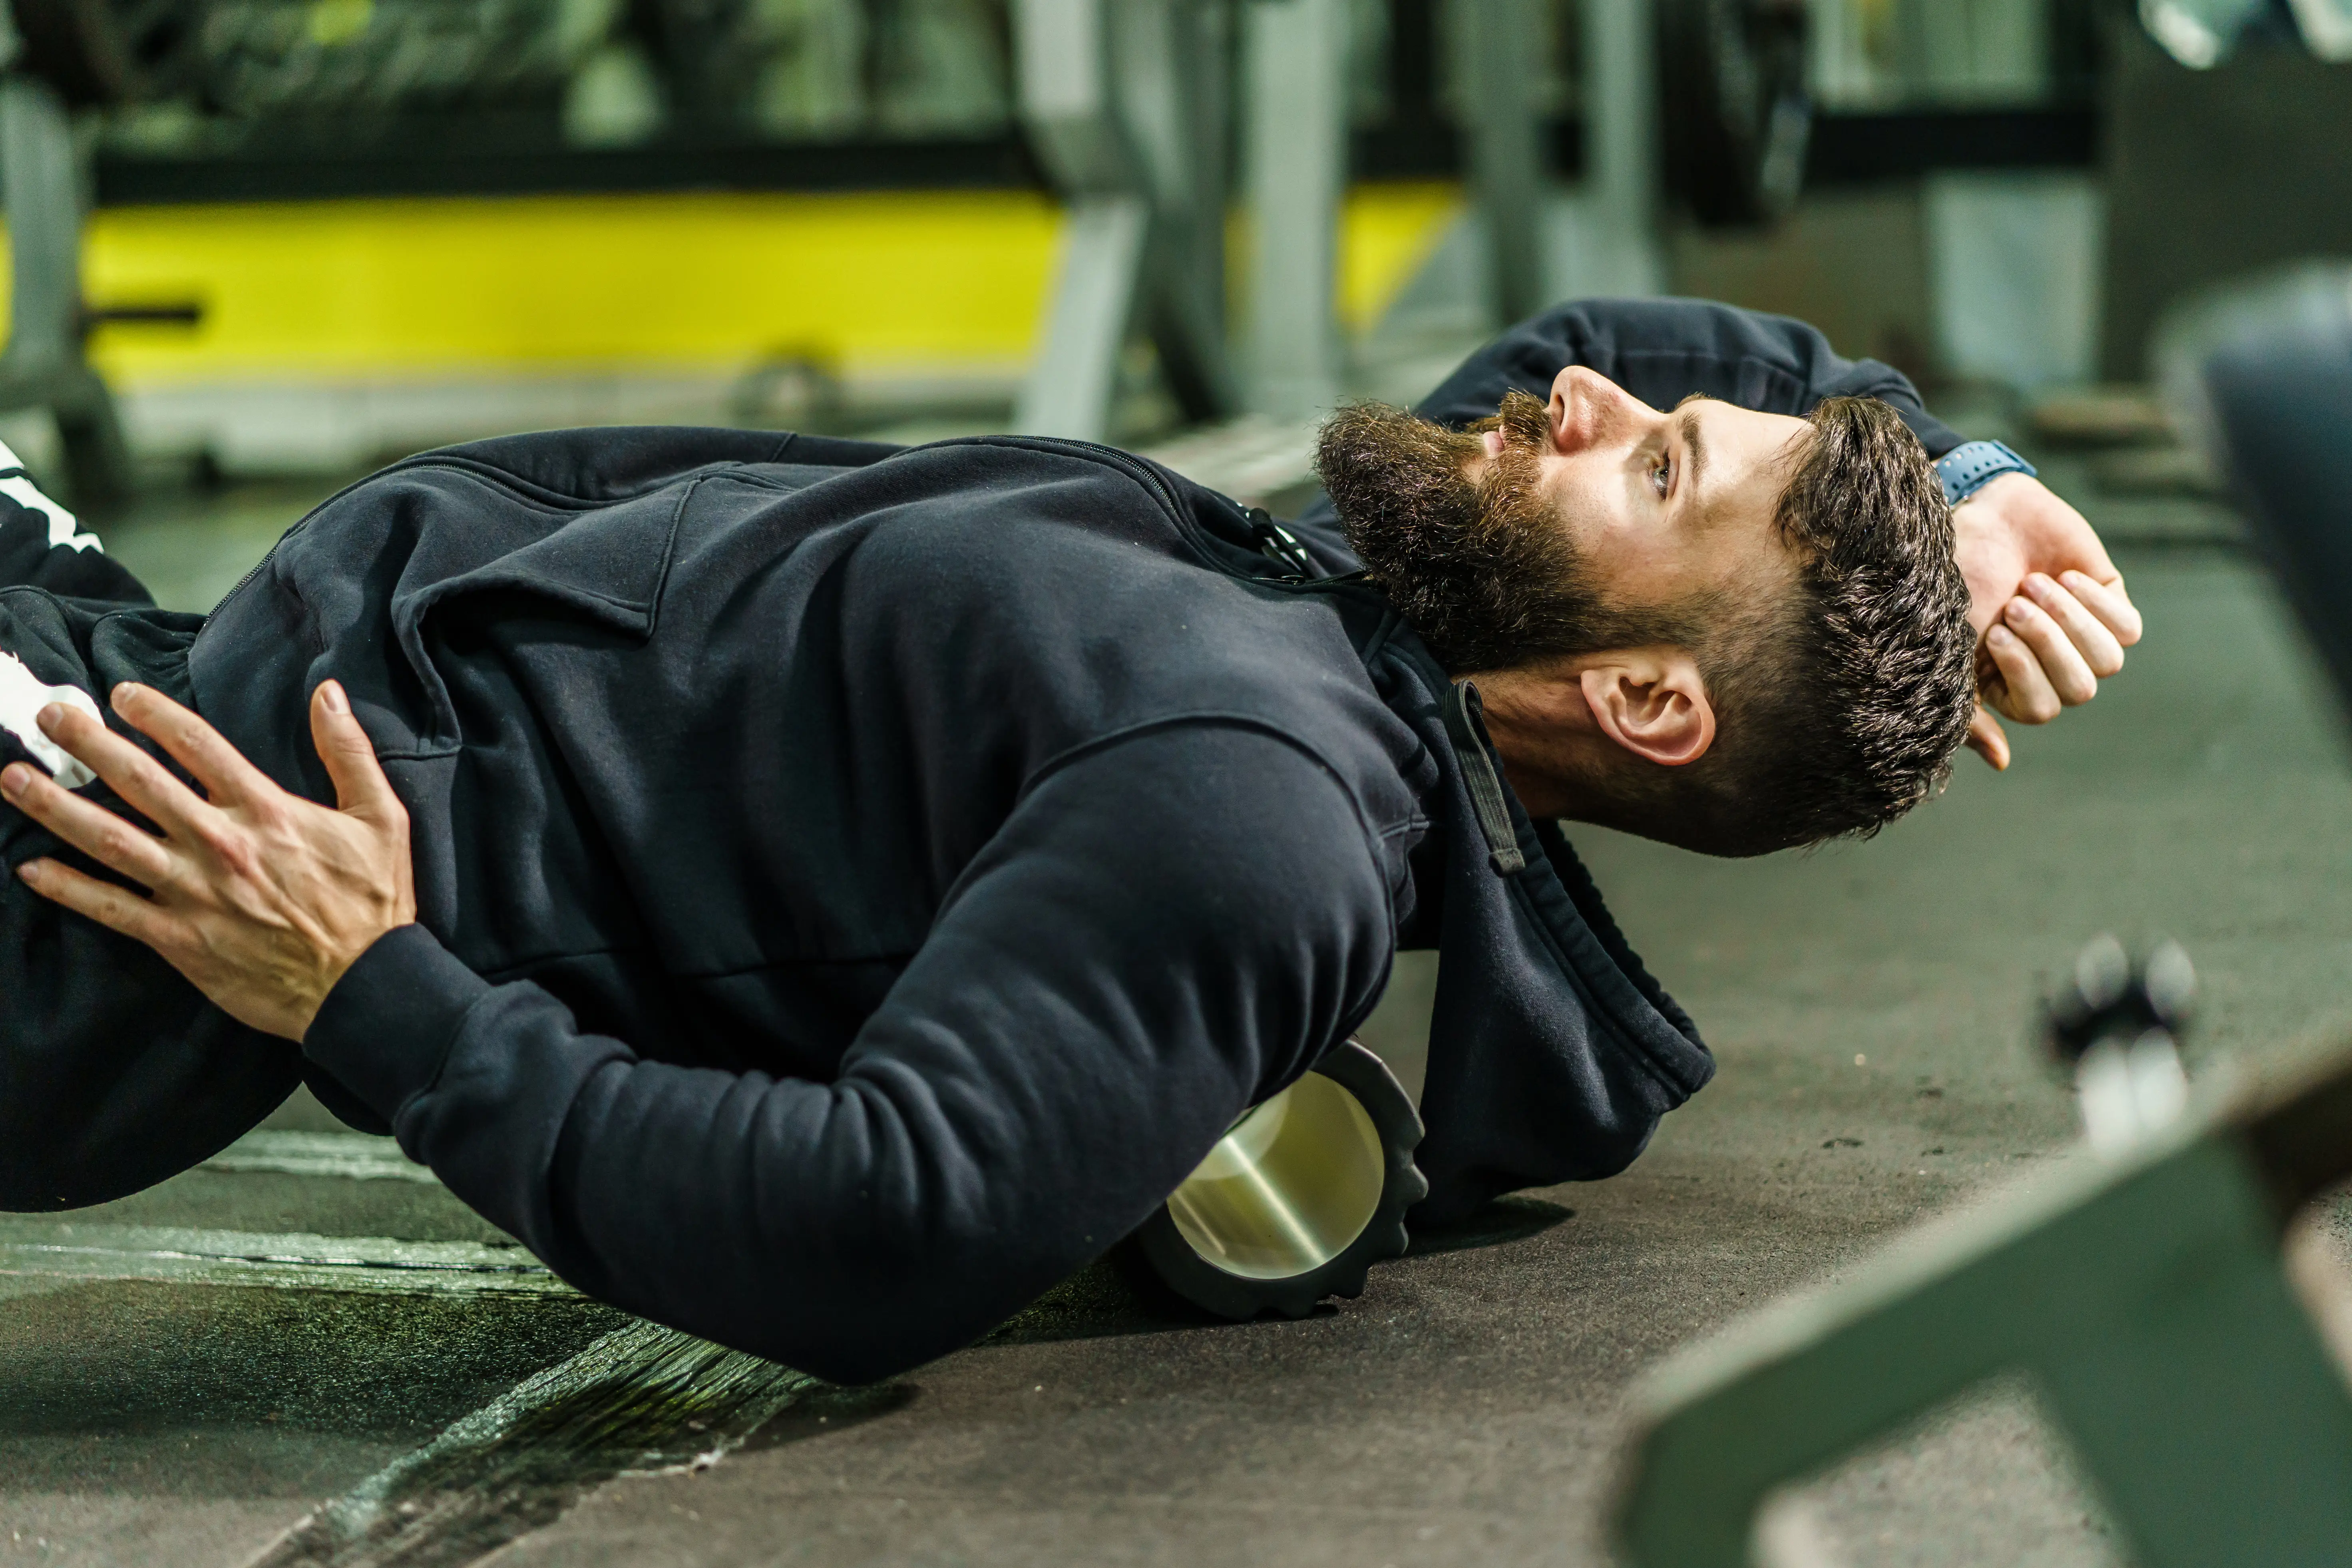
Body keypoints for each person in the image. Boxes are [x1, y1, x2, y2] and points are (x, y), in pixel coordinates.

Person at [0, 298, 2137, 1383]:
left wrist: (375, 997)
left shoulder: (1253, 800)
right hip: (179, 656)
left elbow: (884, 1229)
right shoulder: (1363, 610)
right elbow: (1646, 356)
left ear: (1647, 700)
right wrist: (1963, 476)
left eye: (1651, 465)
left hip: (126, 872)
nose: (1579, 390)